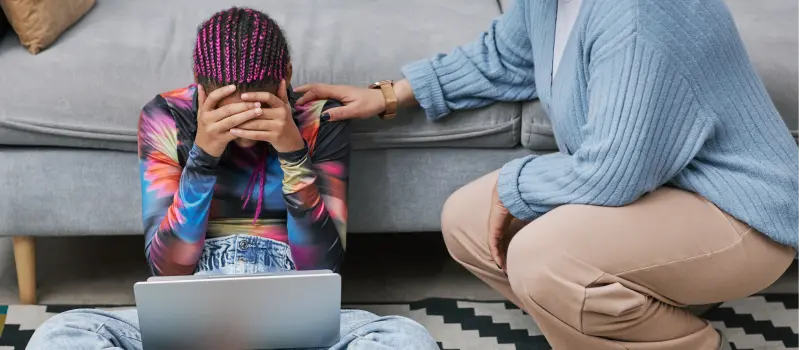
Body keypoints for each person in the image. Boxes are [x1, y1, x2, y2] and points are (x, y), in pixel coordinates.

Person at [293, 0, 800, 349]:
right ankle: (627, 327)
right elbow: (502, 57)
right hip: (657, 184)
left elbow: (611, 174)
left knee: (542, 256)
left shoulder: (641, 16)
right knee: (466, 218)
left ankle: (694, 344)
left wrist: (515, 189)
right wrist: (388, 95)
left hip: (736, 212)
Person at [27, 7, 438, 350]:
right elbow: (166, 270)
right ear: (201, 89)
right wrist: (203, 156)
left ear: (286, 78)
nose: (242, 129)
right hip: (190, 305)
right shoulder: (165, 115)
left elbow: (322, 266)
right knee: (57, 335)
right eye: (226, 108)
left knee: (405, 337)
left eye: (258, 107)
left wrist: (294, 154)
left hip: (293, 309)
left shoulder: (319, 117)